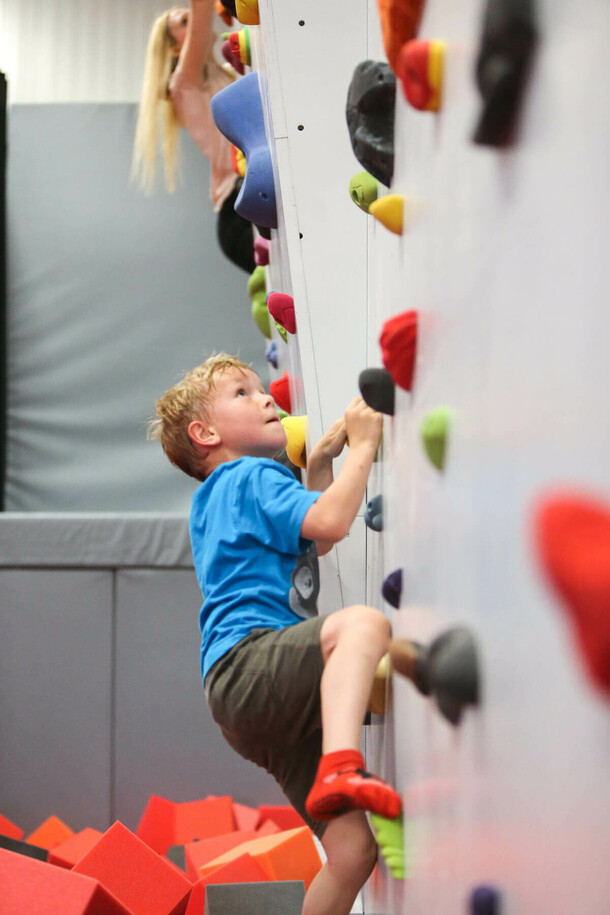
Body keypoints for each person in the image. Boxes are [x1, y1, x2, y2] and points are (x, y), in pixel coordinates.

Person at [149, 354, 402, 915]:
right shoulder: (250, 475)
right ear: (206, 433)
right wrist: (363, 447)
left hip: (244, 703)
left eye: (263, 390)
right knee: (361, 625)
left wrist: (319, 464)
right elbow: (332, 522)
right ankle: (342, 764)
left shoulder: (222, 494)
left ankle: (337, 765)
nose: (267, 400)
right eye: (243, 393)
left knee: (352, 852)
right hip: (251, 662)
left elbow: (314, 539)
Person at [132, 2, 255, 273]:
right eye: (185, 23)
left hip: (249, 194)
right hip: (239, 212)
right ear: (176, 49)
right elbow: (202, 7)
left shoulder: (225, 73)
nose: (197, 25)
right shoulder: (184, 83)